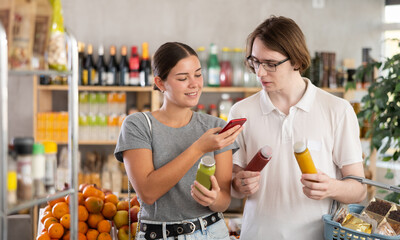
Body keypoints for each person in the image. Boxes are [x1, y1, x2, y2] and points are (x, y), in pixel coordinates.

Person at [229, 16, 367, 240]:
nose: (260, 73)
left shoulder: (337, 109)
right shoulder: (241, 112)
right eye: (255, 61)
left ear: (296, 61)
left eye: (270, 64)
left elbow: (359, 189)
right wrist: (238, 183)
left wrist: (331, 187)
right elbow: (233, 185)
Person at [114, 42, 242, 240]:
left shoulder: (216, 126)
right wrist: (199, 148)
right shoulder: (138, 125)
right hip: (159, 235)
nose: (194, 84)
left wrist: (215, 199)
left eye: (198, 74)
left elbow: (224, 201)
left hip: (212, 232)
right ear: (160, 83)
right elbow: (148, 193)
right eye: (183, 78)